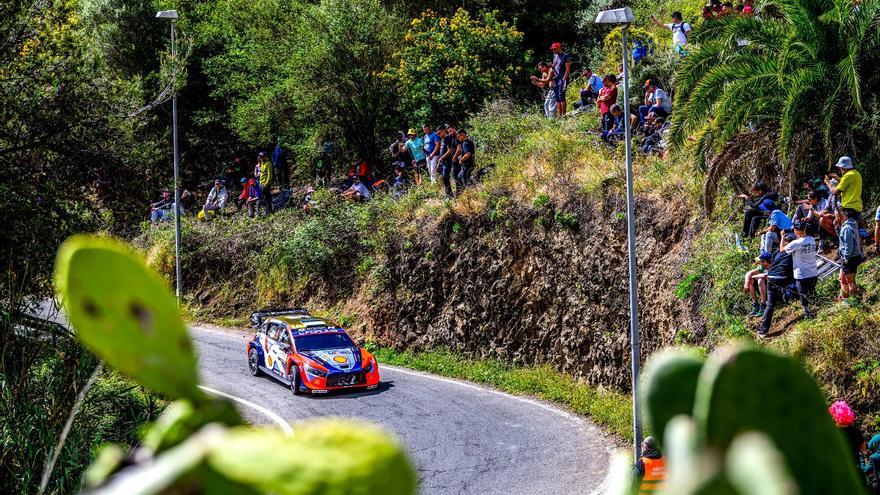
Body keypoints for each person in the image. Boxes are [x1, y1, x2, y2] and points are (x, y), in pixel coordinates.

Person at [781, 220, 818, 319]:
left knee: (803, 296)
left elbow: (782, 250)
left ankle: (808, 314)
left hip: (801, 274)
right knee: (812, 293)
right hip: (813, 272)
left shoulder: (795, 243)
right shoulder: (811, 239)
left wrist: (782, 236)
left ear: (796, 231)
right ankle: (817, 310)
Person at [758, 247, 793, 338]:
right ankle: (786, 298)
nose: (760, 263)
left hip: (771, 278)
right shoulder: (792, 250)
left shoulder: (777, 251)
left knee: (770, 304)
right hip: (781, 277)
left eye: (761, 261)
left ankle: (763, 331)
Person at [825, 156, 863, 223]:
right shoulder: (856, 174)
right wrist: (838, 179)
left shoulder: (847, 176)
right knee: (854, 227)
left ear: (842, 167)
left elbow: (835, 192)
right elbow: (848, 185)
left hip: (849, 207)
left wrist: (828, 183)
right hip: (856, 207)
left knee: (848, 227)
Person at [837, 207, 863, 301]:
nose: (836, 217)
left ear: (842, 215)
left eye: (837, 214)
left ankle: (854, 301)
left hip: (850, 257)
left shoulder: (847, 228)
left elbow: (849, 245)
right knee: (842, 278)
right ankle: (845, 299)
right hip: (849, 257)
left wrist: (846, 258)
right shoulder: (849, 225)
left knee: (850, 281)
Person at [744, 251, 772, 317]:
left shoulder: (773, 267)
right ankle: (755, 305)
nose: (759, 263)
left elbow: (764, 276)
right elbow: (748, 273)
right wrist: (746, 283)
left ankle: (763, 306)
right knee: (750, 280)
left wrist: (752, 276)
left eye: (760, 261)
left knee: (760, 280)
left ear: (765, 262)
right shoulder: (762, 268)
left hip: (773, 291)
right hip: (765, 290)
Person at [550, 42, 572, 116]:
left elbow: (568, 70)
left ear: (559, 48)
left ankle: (564, 115)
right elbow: (554, 66)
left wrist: (564, 80)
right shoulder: (555, 55)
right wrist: (551, 66)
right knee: (557, 97)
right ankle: (560, 115)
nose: (553, 51)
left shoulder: (565, 56)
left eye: (555, 49)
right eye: (552, 49)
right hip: (556, 78)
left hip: (562, 78)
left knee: (561, 96)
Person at [437, 125, 457, 199]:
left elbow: (450, 150)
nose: (438, 135)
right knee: (444, 177)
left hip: (448, 161)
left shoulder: (447, 138)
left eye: (439, 133)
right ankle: (448, 193)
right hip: (443, 161)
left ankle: (449, 194)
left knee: (445, 177)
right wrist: (439, 162)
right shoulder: (442, 139)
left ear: (443, 131)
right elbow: (442, 151)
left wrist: (441, 158)